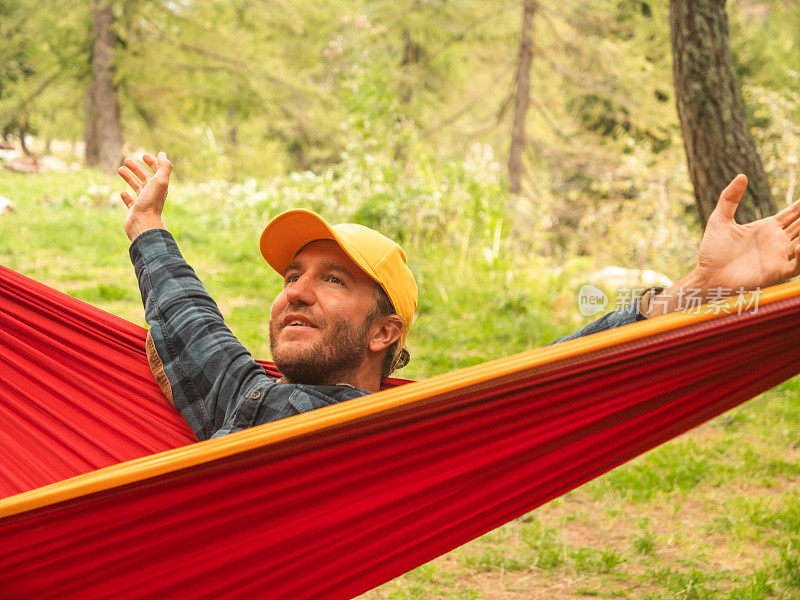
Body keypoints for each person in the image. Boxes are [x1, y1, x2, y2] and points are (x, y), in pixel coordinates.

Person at [118, 152, 800, 441]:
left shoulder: (415, 428)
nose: (294, 293)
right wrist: (146, 225)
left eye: (332, 279)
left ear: (385, 332)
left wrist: (699, 291)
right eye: (291, 276)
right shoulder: (248, 394)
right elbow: (196, 326)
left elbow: (556, 374)